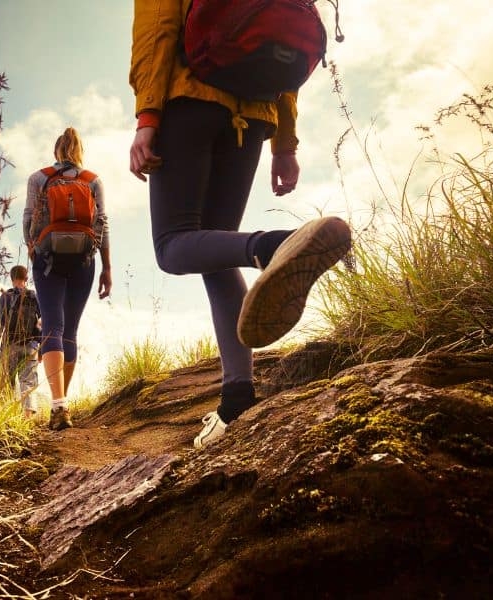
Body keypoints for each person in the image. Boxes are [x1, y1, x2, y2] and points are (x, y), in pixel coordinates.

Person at [128, 0, 352, 449]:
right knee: (218, 251)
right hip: (254, 117)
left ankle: (273, 247)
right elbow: (281, 52)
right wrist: (284, 144)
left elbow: (157, 31)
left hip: (189, 101)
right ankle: (236, 400)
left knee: (173, 246)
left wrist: (147, 118)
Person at [24, 127, 111, 431]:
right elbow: (102, 224)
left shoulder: (39, 178)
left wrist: (35, 252)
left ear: (56, 150)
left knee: (52, 326)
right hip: (84, 262)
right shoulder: (92, 181)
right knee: (69, 330)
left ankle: (58, 403)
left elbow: (28, 220)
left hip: (47, 260)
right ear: (79, 152)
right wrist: (106, 268)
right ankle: (63, 403)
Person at [0, 265, 42, 418]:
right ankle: (27, 419)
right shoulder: (35, 296)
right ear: (26, 278)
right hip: (31, 346)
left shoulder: (6, 296)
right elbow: (42, 322)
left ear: (11, 279)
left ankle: (6, 419)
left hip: (9, 346)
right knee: (28, 382)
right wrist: (41, 349)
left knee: (6, 382)